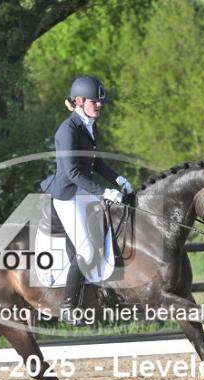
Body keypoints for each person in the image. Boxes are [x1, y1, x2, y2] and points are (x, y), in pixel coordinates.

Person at [40, 76, 133, 324]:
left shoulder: (90, 126)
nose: (99, 105)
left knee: (111, 232)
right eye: (94, 101)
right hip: (68, 196)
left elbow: (96, 163)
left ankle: (104, 291)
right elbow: (73, 172)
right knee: (86, 250)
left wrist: (118, 179)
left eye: (100, 102)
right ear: (79, 101)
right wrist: (104, 192)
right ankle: (68, 307)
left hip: (84, 192)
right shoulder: (67, 130)